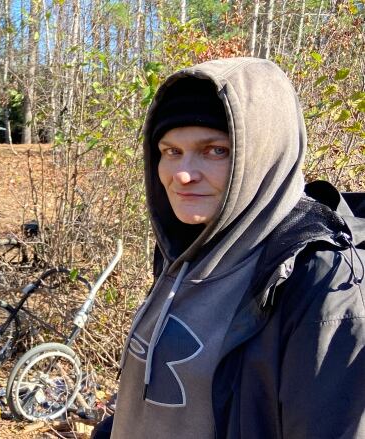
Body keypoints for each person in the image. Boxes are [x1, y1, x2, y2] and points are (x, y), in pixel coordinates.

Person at [93, 57, 365, 438]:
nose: (183, 174)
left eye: (214, 150)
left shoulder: (315, 277)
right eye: (171, 151)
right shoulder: (188, 247)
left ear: (264, 154)